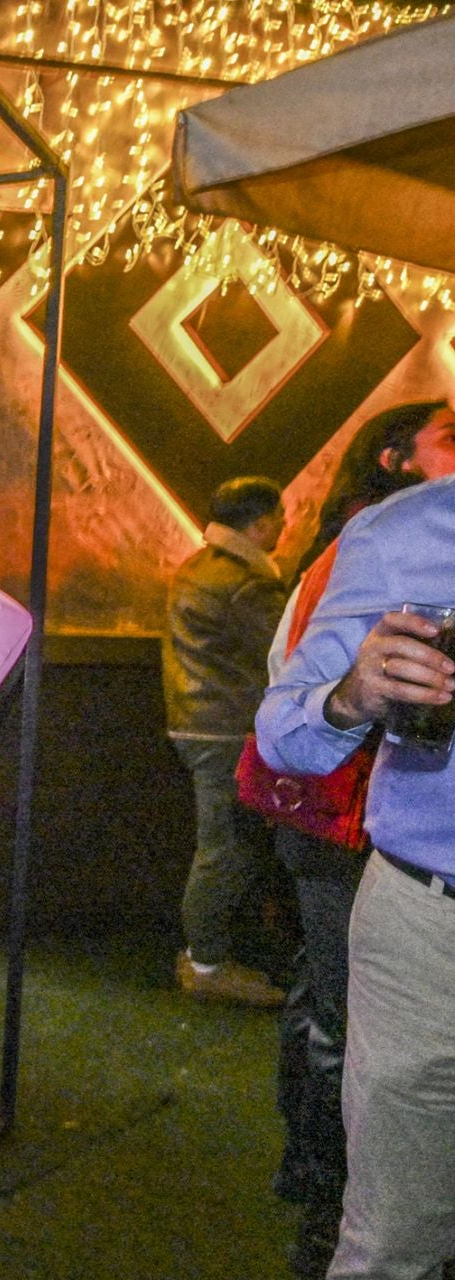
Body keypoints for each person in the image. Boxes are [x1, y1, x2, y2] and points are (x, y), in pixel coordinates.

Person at [265, 401, 455, 1277]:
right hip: (429, 930)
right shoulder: (398, 534)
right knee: (394, 1245)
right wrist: (351, 696)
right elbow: (284, 735)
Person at [164, 475, 293, 1004]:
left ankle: (207, 955)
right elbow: (288, 651)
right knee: (226, 849)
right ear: (259, 525)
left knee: (223, 845)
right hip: (227, 729)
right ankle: (208, 965)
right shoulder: (248, 583)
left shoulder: (198, 567)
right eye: (279, 517)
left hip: (197, 720)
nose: (285, 525)